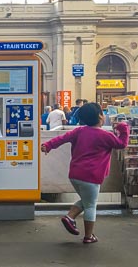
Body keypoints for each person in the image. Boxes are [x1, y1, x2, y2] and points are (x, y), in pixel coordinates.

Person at [41, 103, 129, 244]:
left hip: (75, 175)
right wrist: (123, 128)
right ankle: (88, 236)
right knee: (90, 205)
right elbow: (122, 144)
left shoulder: (79, 131)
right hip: (92, 177)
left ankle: (70, 217)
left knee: (86, 201)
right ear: (101, 116)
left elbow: (62, 138)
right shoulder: (106, 136)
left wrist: (48, 145)